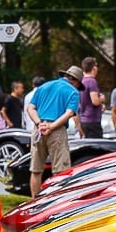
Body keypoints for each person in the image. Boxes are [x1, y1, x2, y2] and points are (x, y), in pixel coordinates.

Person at [26, 65, 82, 196]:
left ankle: (34, 203)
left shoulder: (44, 86)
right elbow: (68, 114)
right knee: (60, 171)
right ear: (77, 81)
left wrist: (39, 123)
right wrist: (52, 127)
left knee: (36, 170)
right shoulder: (73, 92)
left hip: (38, 129)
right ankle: (55, 203)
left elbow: (30, 108)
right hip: (57, 131)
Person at [77, 57, 106, 138]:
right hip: (92, 121)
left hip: (83, 120)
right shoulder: (91, 81)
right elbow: (95, 101)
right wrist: (102, 99)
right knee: (96, 147)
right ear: (94, 68)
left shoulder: (82, 81)